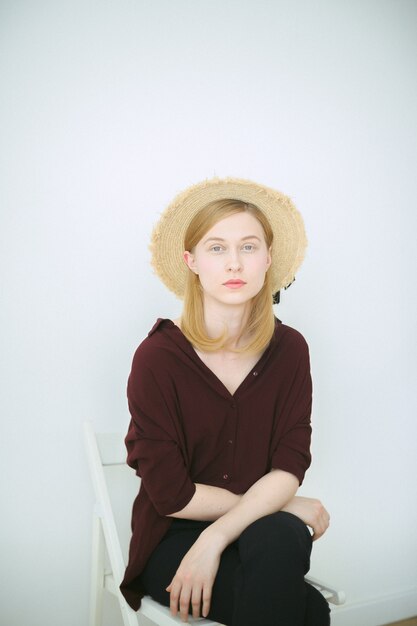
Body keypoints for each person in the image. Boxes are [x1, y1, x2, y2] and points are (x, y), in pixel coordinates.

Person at [120, 177, 331, 625]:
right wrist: (282, 503)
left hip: (261, 529)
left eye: (249, 247)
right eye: (217, 248)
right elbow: (172, 495)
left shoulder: (291, 350)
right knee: (307, 609)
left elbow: (289, 464)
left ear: (268, 259)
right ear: (191, 261)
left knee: (279, 536)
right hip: (172, 536)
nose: (234, 262)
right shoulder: (157, 357)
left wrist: (214, 539)